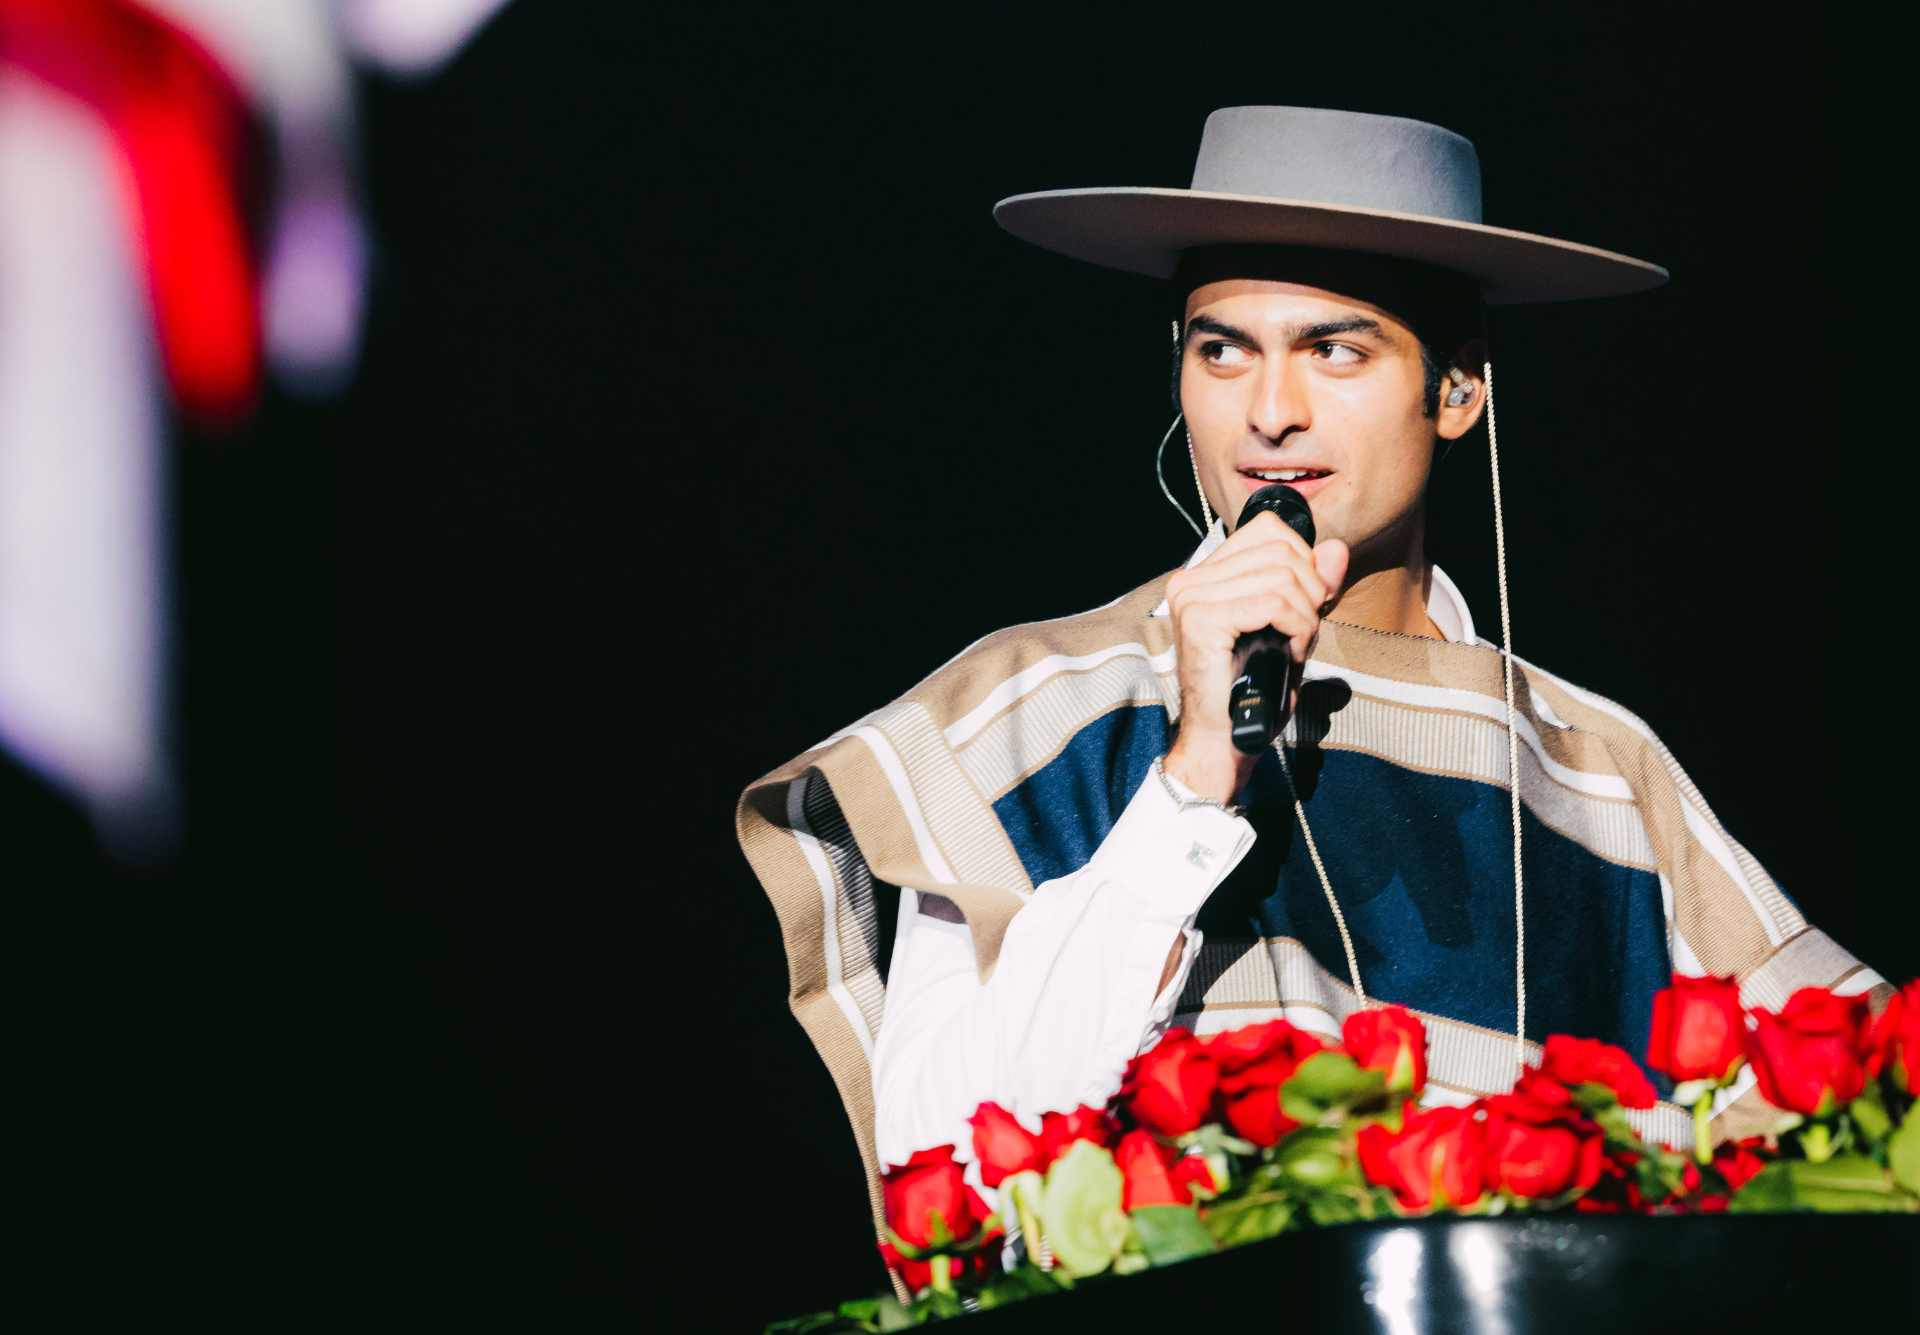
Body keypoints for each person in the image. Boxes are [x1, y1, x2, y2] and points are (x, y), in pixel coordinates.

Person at [735, 107, 1884, 1227]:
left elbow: (1868, 1120)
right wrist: (1190, 777)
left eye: (1335, 350)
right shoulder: (1031, 709)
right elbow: (948, 1169)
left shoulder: (1598, 767)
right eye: (1222, 350)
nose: (1269, 415)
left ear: (1458, 388)